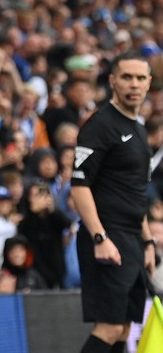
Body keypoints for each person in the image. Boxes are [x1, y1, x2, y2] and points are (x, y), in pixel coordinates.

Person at [71, 51, 157, 353]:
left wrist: (147, 241)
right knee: (108, 327)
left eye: (140, 78)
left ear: (148, 83)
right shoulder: (100, 124)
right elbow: (79, 186)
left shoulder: (138, 128)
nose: (134, 84)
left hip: (132, 239)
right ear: (112, 81)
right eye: (126, 77)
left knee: (123, 328)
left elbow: (135, 193)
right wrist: (100, 237)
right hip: (108, 235)